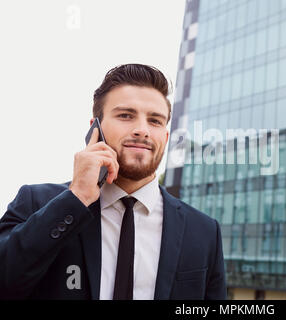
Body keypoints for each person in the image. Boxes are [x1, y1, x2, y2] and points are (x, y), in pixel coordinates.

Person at [0, 64, 226, 300]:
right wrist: (76, 197)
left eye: (155, 121)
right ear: (95, 129)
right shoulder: (36, 201)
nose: (142, 130)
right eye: (125, 115)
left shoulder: (204, 231)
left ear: (165, 137)